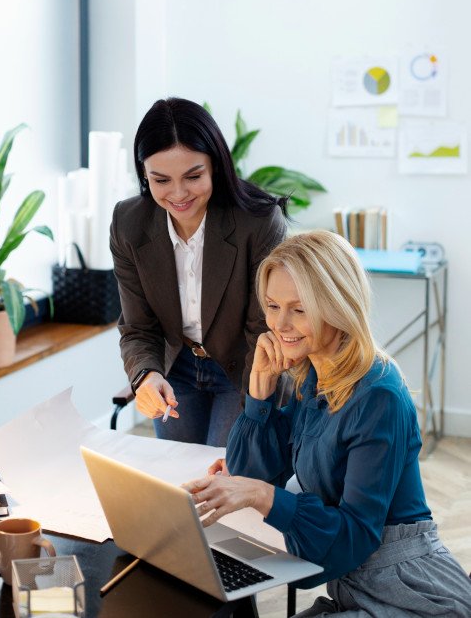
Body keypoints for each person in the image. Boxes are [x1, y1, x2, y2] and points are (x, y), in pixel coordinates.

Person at [183, 230, 471, 616]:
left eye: (299, 309)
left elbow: (354, 537)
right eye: (272, 305)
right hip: (355, 583)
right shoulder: (314, 376)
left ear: (337, 306)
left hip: (412, 591)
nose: (280, 324)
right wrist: (259, 394)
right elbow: (248, 473)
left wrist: (263, 496)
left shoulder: (378, 396)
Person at [109, 97, 287, 446]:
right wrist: (145, 375)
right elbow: (137, 327)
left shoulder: (259, 222)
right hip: (177, 367)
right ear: (144, 174)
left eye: (193, 176)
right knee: (180, 483)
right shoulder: (129, 224)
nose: (178, 194)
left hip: (243, 365)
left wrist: (254, 404)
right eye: (160, 180)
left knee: (222, 480)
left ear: (216, 166)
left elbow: (263, 329)